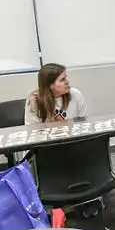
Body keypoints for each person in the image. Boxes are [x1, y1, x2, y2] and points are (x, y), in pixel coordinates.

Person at [25, 63, 94, 216]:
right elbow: (33, 134)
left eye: (66, 77)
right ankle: (58, 201)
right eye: (62, 79)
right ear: (49, 85)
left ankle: (86, 196)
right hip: (48, 150)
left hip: (74, 145)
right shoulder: (34, 102)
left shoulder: (75, 95)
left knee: (87, 151)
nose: (67, 82)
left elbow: (84, 125)